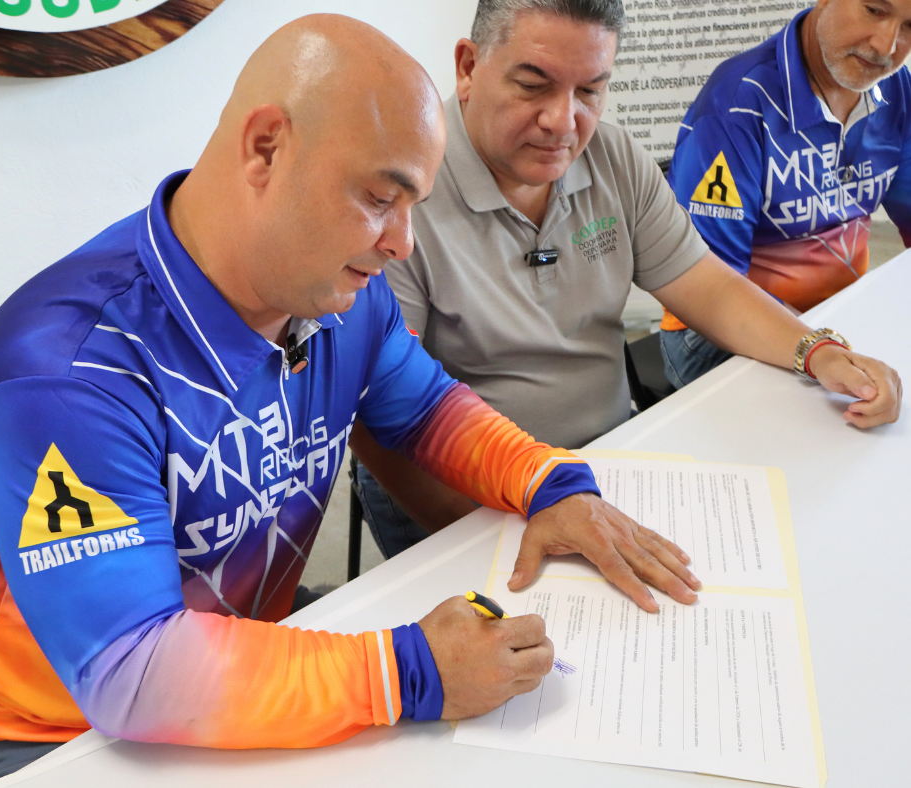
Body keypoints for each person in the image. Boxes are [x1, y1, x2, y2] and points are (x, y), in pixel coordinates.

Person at [0, 13, 709, 786]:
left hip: (253, 644)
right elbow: (131, 669)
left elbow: (427, 411)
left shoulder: (337, 294)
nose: (403, 243)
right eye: (381, 197)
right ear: (266, 148)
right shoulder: (64, 371)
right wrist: (405, 673)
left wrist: (547, 482)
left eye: (415, 205)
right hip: (58, 738)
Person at [351, 0, 903, 559]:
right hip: (468, 490)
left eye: (590, 91)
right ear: (468, 67)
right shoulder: (399, 199)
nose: (562, 121)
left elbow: (708, 286)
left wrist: (816, 351)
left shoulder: (613, 158)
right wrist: (499, 537)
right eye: (533, 86)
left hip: (606, 459)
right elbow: (381, 417)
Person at [663, 0, 911, 387]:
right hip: (719, 328)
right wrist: (821, 351)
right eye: (874, 10)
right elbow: (711, 294)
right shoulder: (736, 104)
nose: (886, 45)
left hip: (838, 314)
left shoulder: (895, 87)